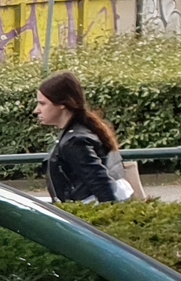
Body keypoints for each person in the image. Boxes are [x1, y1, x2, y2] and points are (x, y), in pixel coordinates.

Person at [36, 71, 122, 204]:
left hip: (85, 213)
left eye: (42, 104)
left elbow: (102, 186)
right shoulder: (76, 133)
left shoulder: (75, 141)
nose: (37, 110)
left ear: (62, 104)